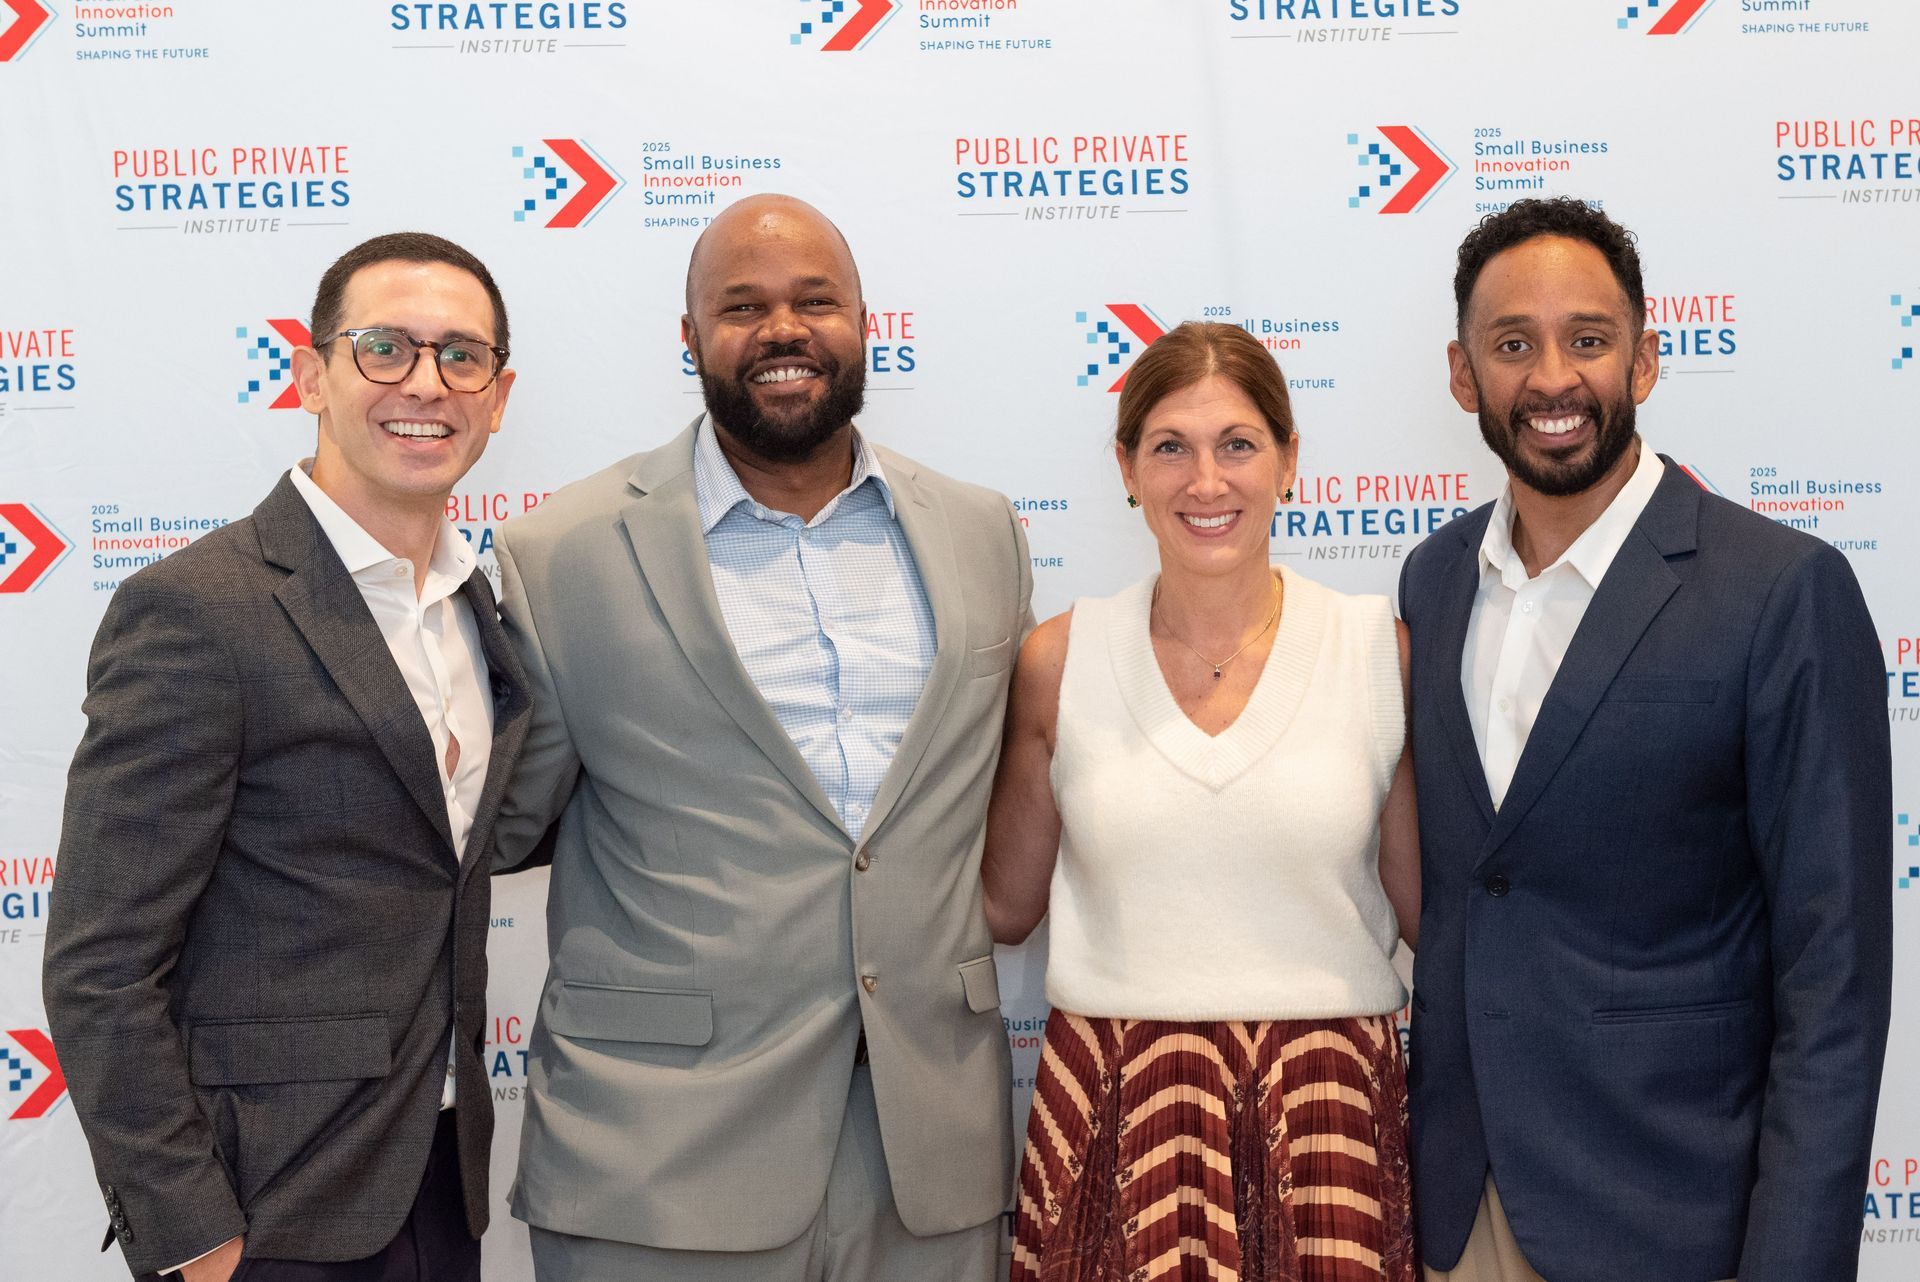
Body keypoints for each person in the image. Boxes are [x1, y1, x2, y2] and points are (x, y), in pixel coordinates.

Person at [491, 193, 1032, 1281]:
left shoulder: (982, 532)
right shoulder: (561, 552)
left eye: (815, 301)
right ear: (690, 338)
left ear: (866, 323)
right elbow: (505, 825)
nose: (783, 328)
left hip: (930, 1153)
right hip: (660, 1158)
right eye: (742, 307)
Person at [1401, 196, 1892, 1282]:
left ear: (1646, 360)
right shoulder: (1433, 581)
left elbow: (1835, 982)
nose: (1553, 378)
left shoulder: (1779, 591)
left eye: (1588, 339)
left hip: (1674, 1218)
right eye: (1512, 345)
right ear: (1462, 375)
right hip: (1460, 1212)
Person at [42, 233, 526, 1282]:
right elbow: (99, 962)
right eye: (385, 348)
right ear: (310, 376)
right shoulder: (199, 610)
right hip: (268, 1208)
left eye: (461, 356)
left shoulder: (474, 608)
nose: (425, 384)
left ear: (497, 397)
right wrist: (194, 1236)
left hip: (443, 1181)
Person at [982, 320, 1422, 1282]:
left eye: (1238, 445)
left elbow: (1437, 918)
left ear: (1289, 460)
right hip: (1113, 1110)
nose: (1207, 482)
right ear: (1127, 468)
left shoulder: (1374, 653)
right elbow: (1002, 908)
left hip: (1330, 1112)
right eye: (1170, 448)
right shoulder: (1060, 660)